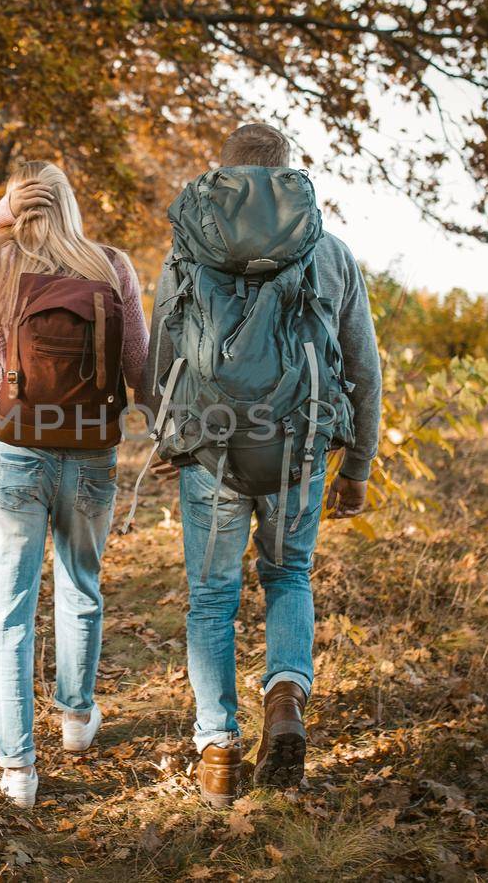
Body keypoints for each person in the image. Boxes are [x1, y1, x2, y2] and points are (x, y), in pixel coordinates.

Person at [143, 123, 381, 807]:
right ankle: (284, 700)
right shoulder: (328, 253)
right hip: (300, 449)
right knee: (288, 574)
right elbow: (364, 367)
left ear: (223, 174)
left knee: (213, 597)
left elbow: (163, 355)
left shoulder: (187, 252)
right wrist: (357, 466)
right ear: (286, 177)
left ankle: (217, 750)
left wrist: (169, 437)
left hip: (212, 451)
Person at [0, 160, 149, 807]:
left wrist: (1, 211)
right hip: (92, 451)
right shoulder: (111, 266)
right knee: (80, 586)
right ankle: (75, 718)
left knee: (8, 611)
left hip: (18, 451)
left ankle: (18, 771)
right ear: (71, 203)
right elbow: (140, 367)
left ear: (21, 205)